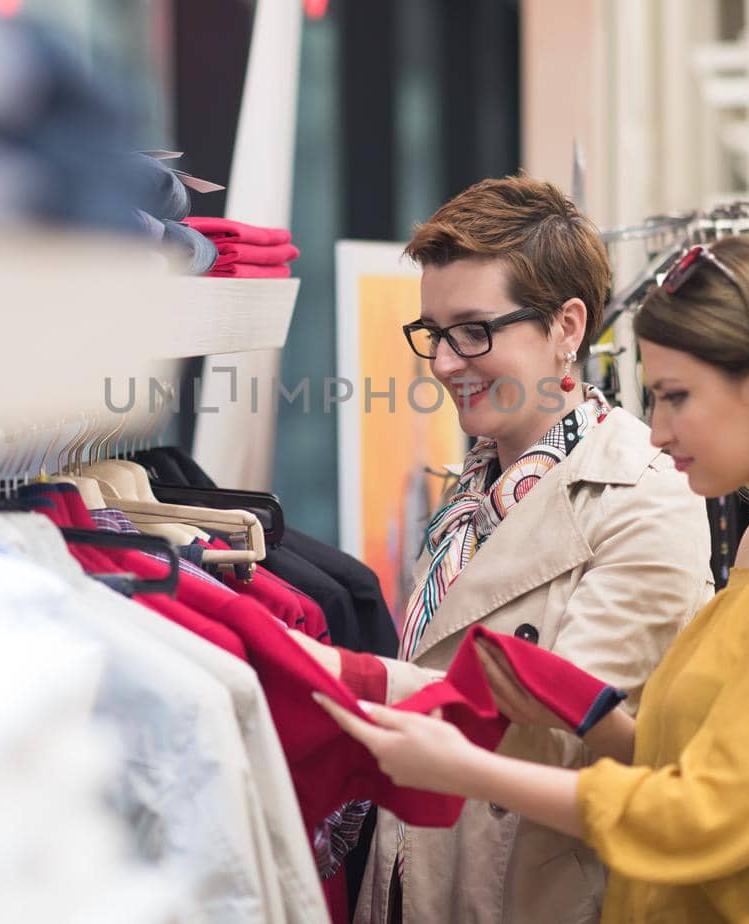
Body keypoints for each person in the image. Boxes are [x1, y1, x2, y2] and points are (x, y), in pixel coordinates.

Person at [317, 236, 749, 923]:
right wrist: (587, 710)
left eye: (676, 397)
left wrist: (463, 770)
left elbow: (708, 815)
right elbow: (692, 758)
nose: (655, 431)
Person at [293, 175, 712, 923]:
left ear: (567, 326)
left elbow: (557, 735)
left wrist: (326, 669)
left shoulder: (645, 497)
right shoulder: (476, 482)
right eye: (433, 333)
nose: (446, 363)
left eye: (474, 331)